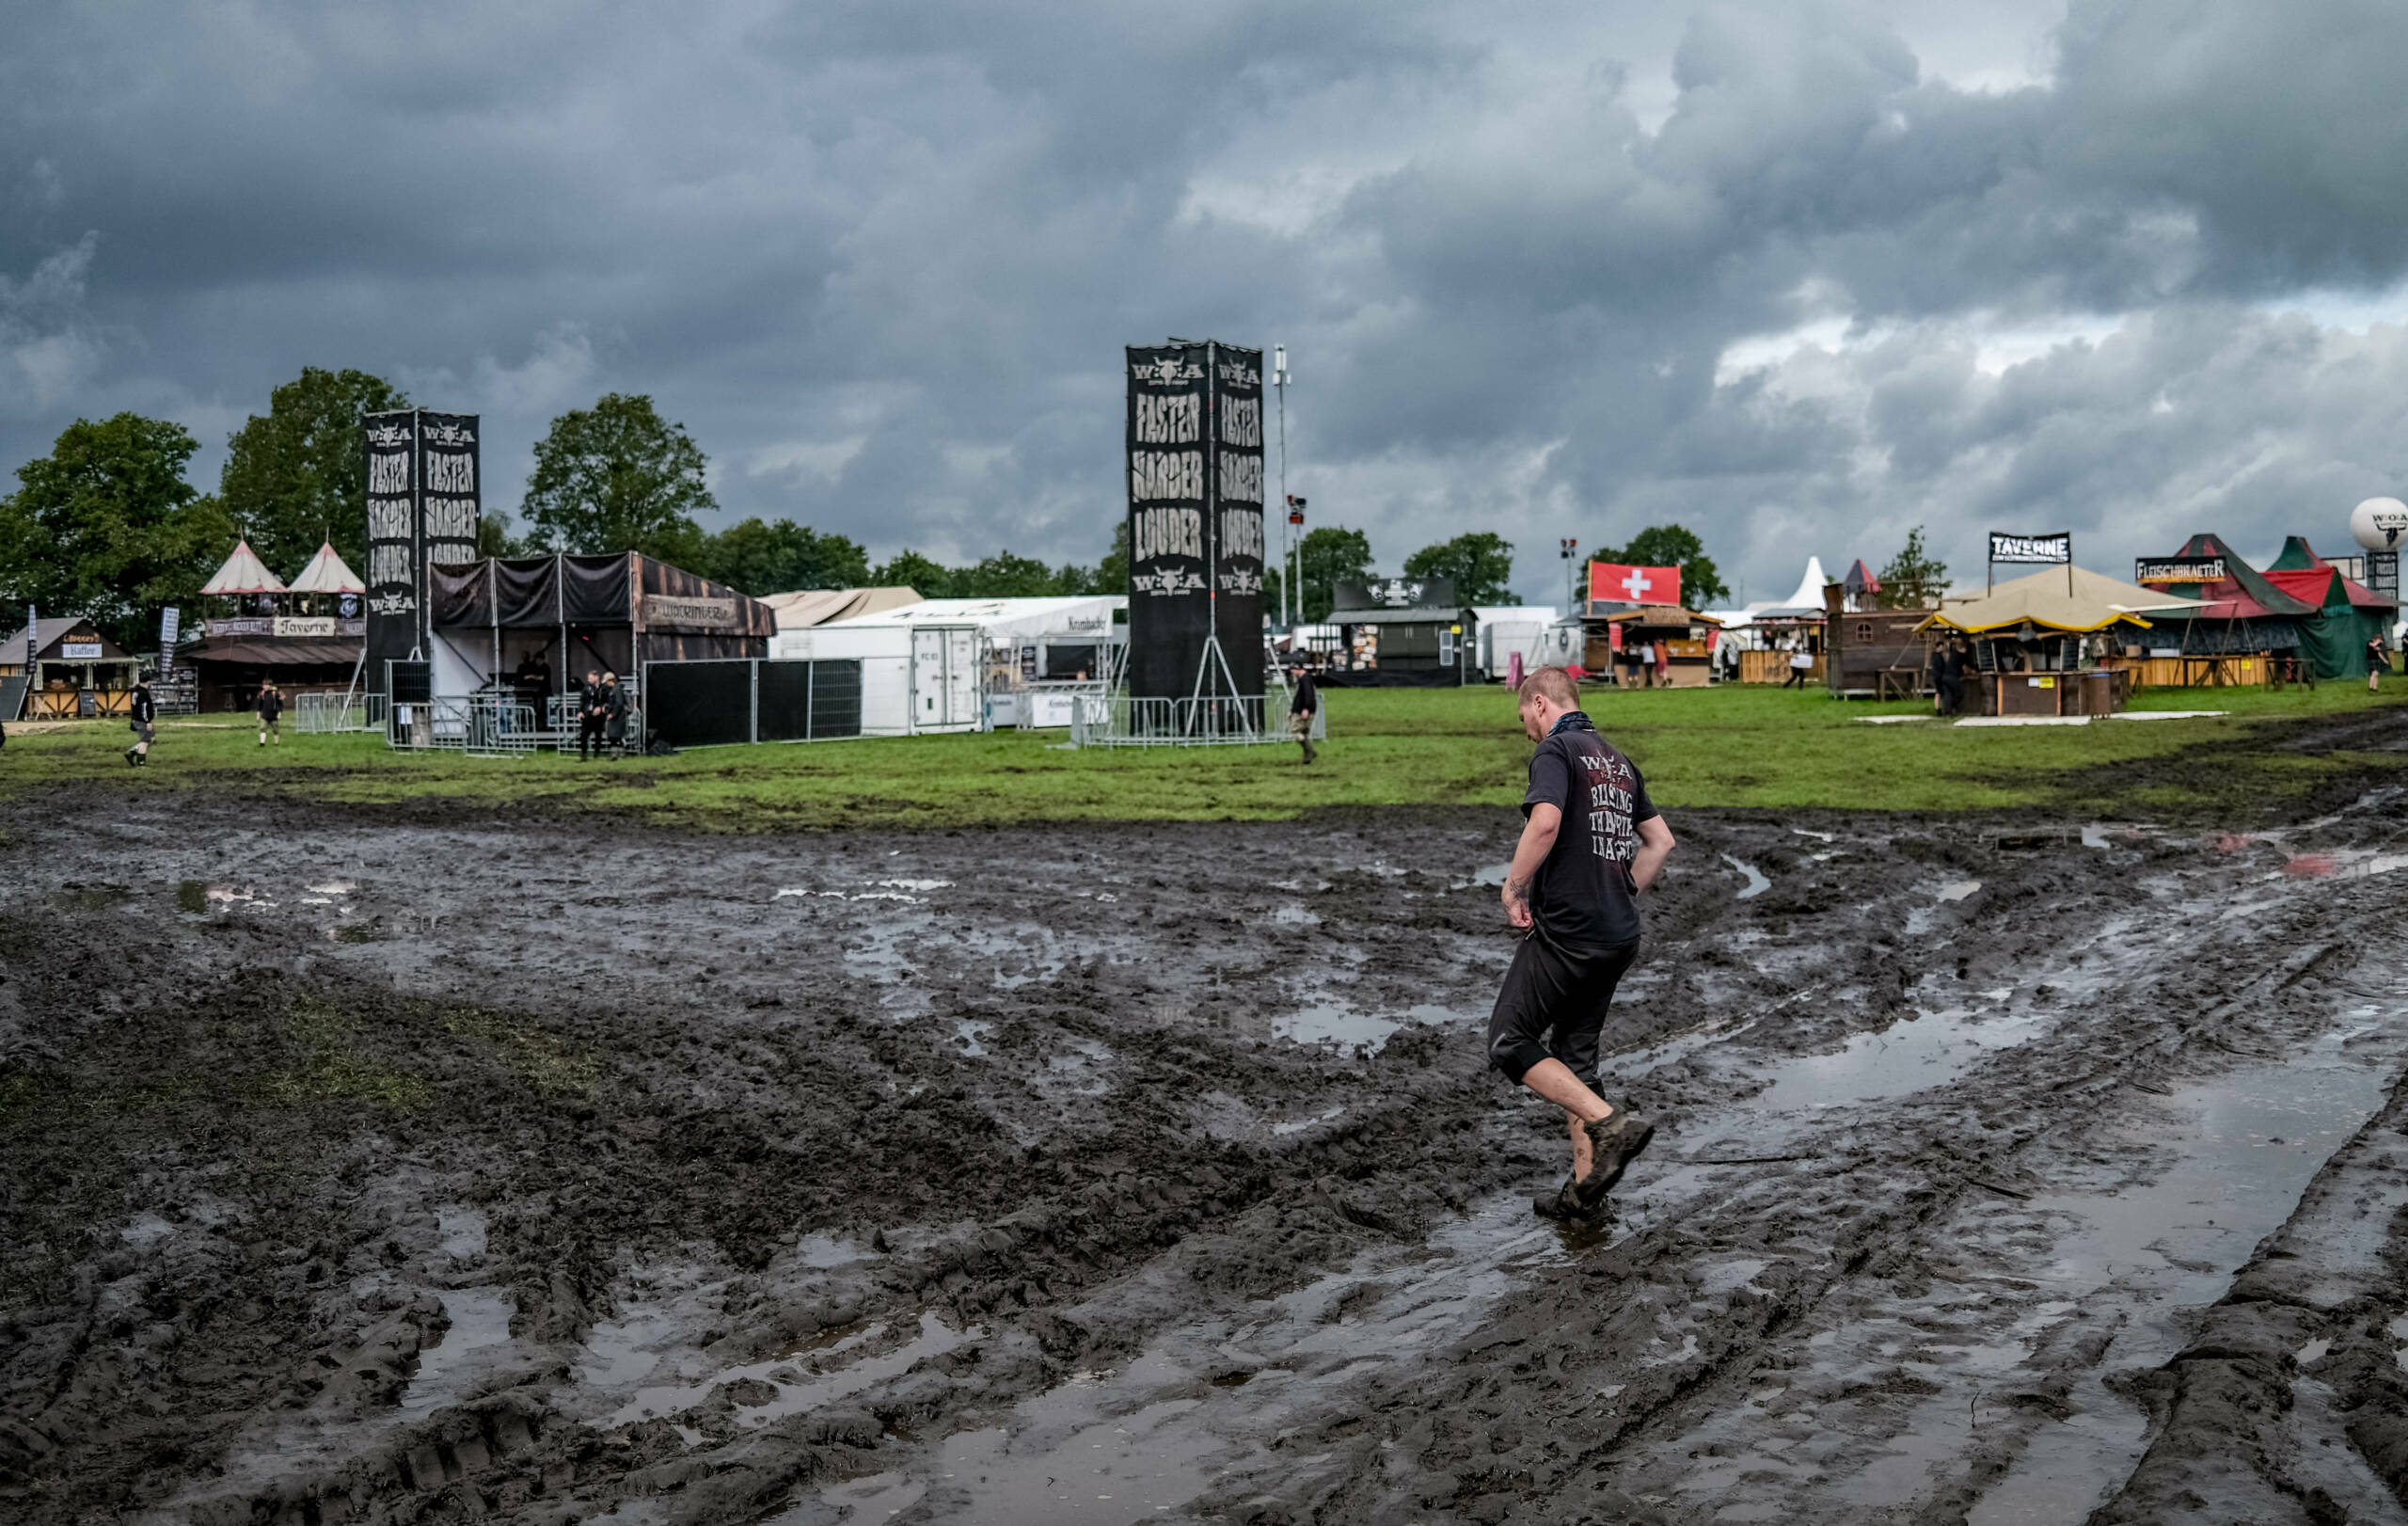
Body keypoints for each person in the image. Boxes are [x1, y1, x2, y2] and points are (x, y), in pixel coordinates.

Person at [1494, 665, 1674, 1221]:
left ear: (1543, 704)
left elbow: (1544, 824)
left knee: (1510, 1039)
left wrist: (1513, 887)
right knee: (1575, 1057)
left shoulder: (1558, 751)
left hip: (1570, 932)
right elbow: (1660, 841)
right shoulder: (1618, 761)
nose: (1525, 727)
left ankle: (1611, 1125)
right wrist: (1620, 894)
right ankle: (1585, 1196)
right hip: (1618, 934)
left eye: (1524, 715)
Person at [1287, 662, 1319, 764]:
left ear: (1297, 669)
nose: (1292, 673)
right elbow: (1299, 697)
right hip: (1303, 710)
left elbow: (1308, 695)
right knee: (1304, 734)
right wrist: (1292, 710)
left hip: (1302, 711)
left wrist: (1306, 708)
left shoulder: (1305, 680)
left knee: (1295, 732)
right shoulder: (1305, 679)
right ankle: (1307, 758)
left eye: (1292, 671)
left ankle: (1311, 752)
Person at [124, 676, 156, 767]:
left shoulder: (136, 691)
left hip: (136, 718)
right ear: (148, 682)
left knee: (151, 739)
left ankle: (132, 752)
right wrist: (148, 721)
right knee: (146, 740)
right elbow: (143, 709)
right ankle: (140, 763)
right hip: (141, 720)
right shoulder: (143, 693)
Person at [578, 668, 607, 761]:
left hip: (598, 716)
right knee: (583, 735)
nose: (589, 680)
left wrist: (601, 707)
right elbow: (582, 700)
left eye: (590, 678)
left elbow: (607, 701)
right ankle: (584, 755)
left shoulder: (603, 688)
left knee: (598, 735)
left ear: (596, 677)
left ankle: (596, 754)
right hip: (588, 714)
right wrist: (580, 711)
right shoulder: (586, 688)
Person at [601, 671, 630, 761]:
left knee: (614, 736)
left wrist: (612, 714)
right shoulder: (615, 689)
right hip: (618, 716)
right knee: (614, 736)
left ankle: (616, 755)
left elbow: (619, 703)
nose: (606, 684)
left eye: (606, 682)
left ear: (610, 680)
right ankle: (620, 755)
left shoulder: (616, 690)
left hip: (618, 717)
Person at [256, 680, 283, 746]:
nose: (264, 686)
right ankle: (262, 743)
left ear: (270, 686)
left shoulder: (275, 694)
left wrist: (279, 713)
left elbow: (280, 704)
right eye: (263, 685)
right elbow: (259, 705)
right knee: (262, 728)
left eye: (266, 685)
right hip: (264, 716)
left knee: (275, 730)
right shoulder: (262, 694)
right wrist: (258, 715)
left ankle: (276, 743)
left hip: (273, 716)